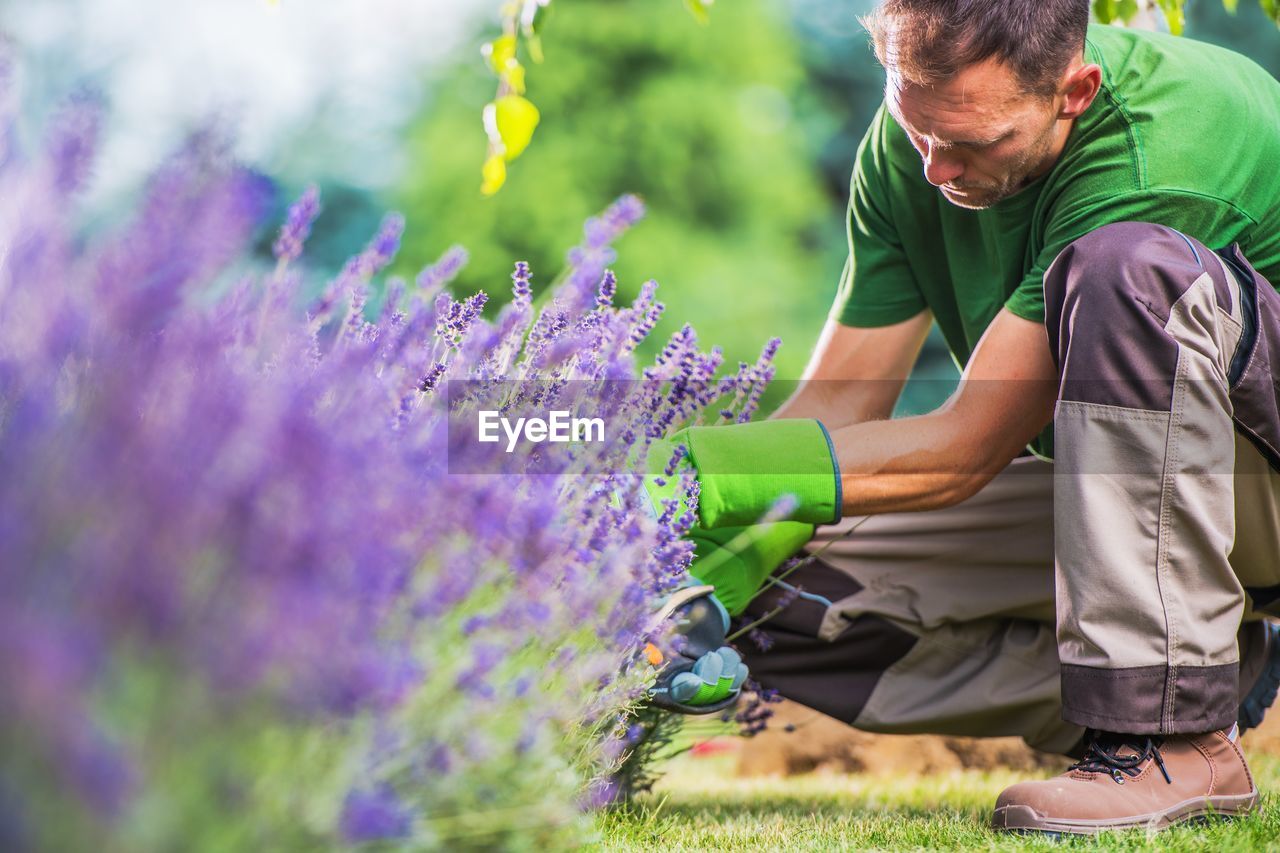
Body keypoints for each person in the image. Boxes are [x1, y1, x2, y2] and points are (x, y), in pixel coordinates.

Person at [659, 0, 1280, 835]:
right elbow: (839, 406)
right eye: (918, 130)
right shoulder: (922, 133)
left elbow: (966, 446)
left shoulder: (1161, 153)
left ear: (1075, 91)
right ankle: (1219, 668)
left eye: (974, 145)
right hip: (1138, 494)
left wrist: (707, 473)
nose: (935, 172)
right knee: (787, 595)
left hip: (1257, 481)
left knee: (1127, 271)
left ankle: (1171, 736)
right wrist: (693, 571)